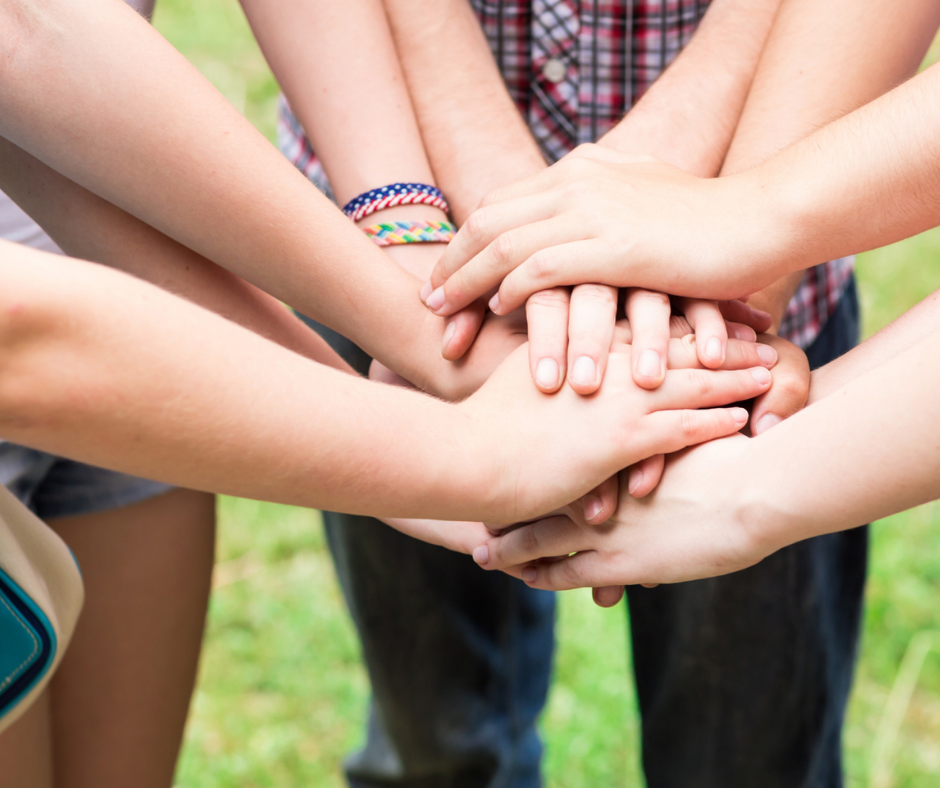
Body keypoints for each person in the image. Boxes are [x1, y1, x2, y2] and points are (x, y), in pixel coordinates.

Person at [273, 0, 939, 785]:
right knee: (435, 734)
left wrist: (741, 269)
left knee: (748, 750)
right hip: (400, 226)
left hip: (778, 174)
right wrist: (498, 233)